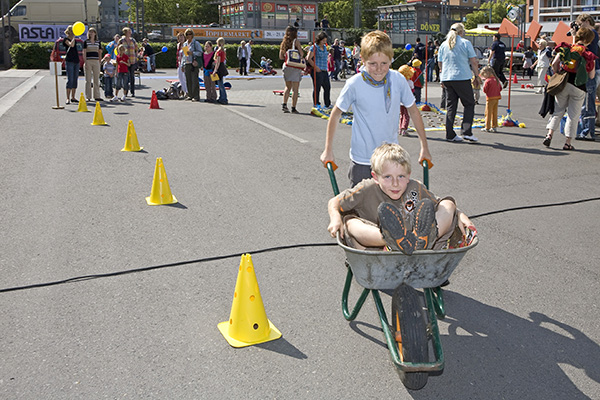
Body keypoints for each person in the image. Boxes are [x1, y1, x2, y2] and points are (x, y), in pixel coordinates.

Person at [319, 30, 432, 187]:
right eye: (372, 64)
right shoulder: (355, 84)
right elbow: (336, 114)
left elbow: (413, 110)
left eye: (384, 63)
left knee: (389, 206)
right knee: (360, 206)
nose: (379, 69)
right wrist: (328, 150)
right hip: (363, 159)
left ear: (391, 60)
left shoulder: (397, 80)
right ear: (363, 60)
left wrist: (424, 147)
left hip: (390, 160)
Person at [326, 143, 475, 254]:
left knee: (448, 204)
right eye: (387, 177)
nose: (395, 183)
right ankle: (392, 241)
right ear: (375, 177)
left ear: (408, 175)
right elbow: (334, 203)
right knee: (350, 222)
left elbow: (440, 204)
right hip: (378, 248)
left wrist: (461, 215)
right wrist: (335, 218)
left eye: (401, 176)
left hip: (417, 246)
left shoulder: (414, 187)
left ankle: (426, 237)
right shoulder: (366, 188)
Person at [543, 27, 597, 150]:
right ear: (589, 41)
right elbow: (592, 75)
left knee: (558, 111)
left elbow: (555, 63)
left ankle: (549, 135)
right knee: (573, 115)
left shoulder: (566, 48)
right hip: (579, 87)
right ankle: (567, 143)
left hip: (563, 83)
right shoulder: (588, 55)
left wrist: (557, 74)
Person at [437, 23, 481, 142]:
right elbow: (473, 61)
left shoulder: (443, 45)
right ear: (461, 32)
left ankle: (450, 134)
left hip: (447, 77)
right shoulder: (465, 43)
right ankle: (466, 131)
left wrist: (442, 76)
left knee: (451, 106)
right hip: (461, 76)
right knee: (469, 103)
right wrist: (477, 75)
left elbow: (440, 63)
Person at [574, 14, 600, 141]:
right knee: (586, 100)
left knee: (588, 101)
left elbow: (581, 50)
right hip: (591, 69)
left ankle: (588, 131)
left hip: (591, 69)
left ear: (587, 21)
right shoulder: (593, 33)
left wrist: (575, 37)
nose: (579, 27)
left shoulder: (592, 34)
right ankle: (586, 129)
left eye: (580, 24)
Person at [279, 25, 304, 114]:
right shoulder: (296, 41)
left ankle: (284, 104)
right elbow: (301, 54)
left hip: (286, 66)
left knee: (287, 87)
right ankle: (293, 107)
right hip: (295, 67)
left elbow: (281, 57)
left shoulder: (283, 43)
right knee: (295, 89)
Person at [306, 32, 331, 109]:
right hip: (317, 70)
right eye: (323, 40)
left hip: (324, 69)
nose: (324, 42)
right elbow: (308, 58)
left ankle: (327, 104)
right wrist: (315, 67)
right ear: (319, 39)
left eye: (325, 40)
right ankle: (316, 103)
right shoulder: (314, 47)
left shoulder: (324, 47)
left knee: (327, 87)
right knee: (317, 88)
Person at [183, 28, 203, 102]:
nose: (189, 36)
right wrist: (182, 64)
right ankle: (190, 95)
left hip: (193, 64)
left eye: (190, 34)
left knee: (194, 80)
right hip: (187, 63)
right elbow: (184, 55)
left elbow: (200, 52)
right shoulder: (185, 44)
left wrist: (193, 53)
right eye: (187, 34)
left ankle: (196, 96)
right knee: (188, 80)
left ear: (192, 35)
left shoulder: (196, 43)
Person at [83, 27, 103, 102]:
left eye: (93, 32)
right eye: (90, 32)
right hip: (88, 61)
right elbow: (84, 52)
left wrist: (100, 61)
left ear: (95, 33)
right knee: (88, 79)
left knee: (96, 79)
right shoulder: (86, 42)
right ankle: (88, 96)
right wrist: (85, 62)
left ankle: (97, 96)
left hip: (96, 61)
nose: (91, 33)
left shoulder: (98, 42)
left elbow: (100, 52)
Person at [480, 66, 502, 132]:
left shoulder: (488, 81)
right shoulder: (496, 79)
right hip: (497, 97)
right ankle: (494, 126)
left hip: (490, 98)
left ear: (488, 73)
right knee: (494, 112)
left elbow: (485, 90)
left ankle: (487, 127)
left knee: (488, 113)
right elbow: (500, 88)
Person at [118, 27, 138, 97]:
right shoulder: (121, 40)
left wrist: (136, 56)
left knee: (132, 76)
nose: (130, 33)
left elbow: (136, 48)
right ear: (125, 33)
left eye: (130, 32)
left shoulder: (133, 40)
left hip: (132, 60)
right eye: (129, 32)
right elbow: (118, 49)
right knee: (126, 77)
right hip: (124, 61)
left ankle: (133, 92)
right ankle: (125, 92)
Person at [63, 25, 80, 105]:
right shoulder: (65, 39)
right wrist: (73, 37)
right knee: (70, 79)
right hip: (69, 61)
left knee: (75, 79)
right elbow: (71, 45)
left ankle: (73, 97)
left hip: (76, 60)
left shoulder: (75, 40)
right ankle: (67, 98)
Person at [398, 65, 415, 137]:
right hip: (407, 101)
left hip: (400, 101)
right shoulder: (410, 82)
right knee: (406, 115)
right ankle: (404, 129)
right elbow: (413, 91)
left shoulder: (399, 82)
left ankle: (400, 128)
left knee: (401, 115)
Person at [212, 37, 229, 105]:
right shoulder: (223, 51)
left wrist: (215, 70)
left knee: (220, 84)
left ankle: (223, 98)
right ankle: (222, 97)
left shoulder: (219, 51)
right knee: (220, 83)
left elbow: (218, 62)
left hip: (219, 68)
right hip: (222, 67)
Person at [175, 32, 188, 98]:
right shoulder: (178, 45)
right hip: (179, 63)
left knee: (185, 78)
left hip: (184, 63)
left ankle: (187, 92)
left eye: (182, 37)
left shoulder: (186, 45)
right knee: (180, 78)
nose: (181, 38)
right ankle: (183, 90)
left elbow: (186, 55)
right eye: (179, 37)